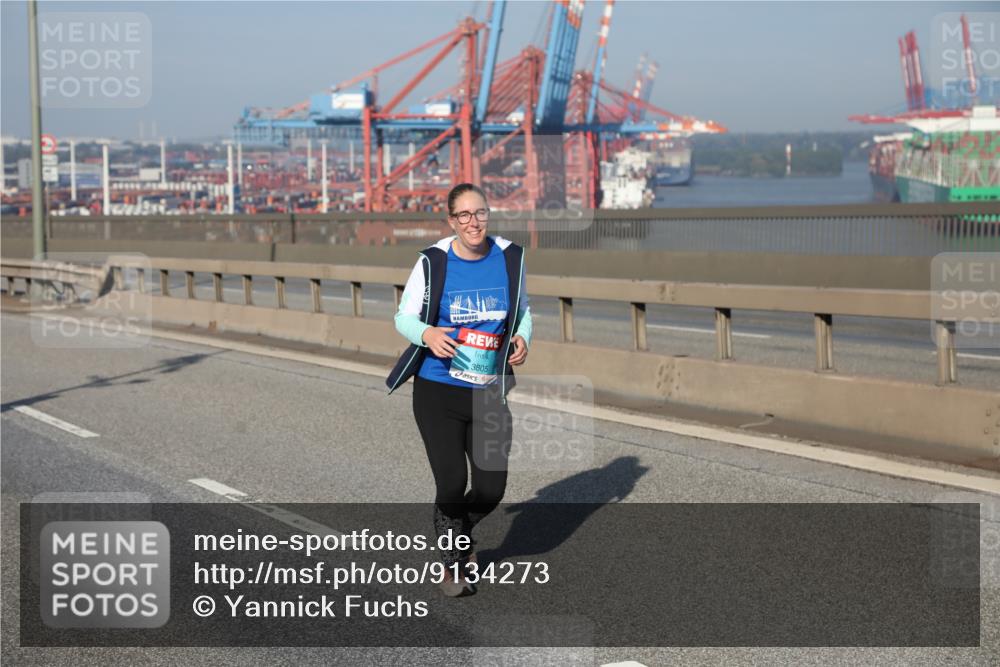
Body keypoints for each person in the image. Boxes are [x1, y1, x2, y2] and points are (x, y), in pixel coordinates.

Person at [385, 183, 532, 597]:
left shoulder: (510, 257)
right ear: (452, 221)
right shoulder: (433, 261)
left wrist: (522, 337)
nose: (473, 222)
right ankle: (452, 564)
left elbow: (522, 310)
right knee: (451, 483)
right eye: (464, 215)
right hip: (438, 390)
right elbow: (403, 317)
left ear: (488, 215)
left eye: (479, 213)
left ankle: (458, 528)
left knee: (491, 488)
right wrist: (427, 333)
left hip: (488, 392)